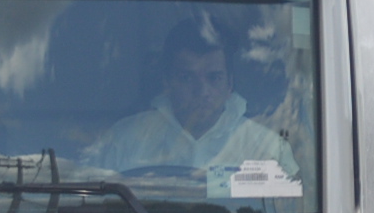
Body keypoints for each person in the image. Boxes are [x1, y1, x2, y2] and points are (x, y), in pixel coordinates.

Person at [94, 21, 301, 195]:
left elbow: (291, 211)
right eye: (187, 77)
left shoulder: (268, 148)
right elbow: (95, 198)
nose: (202, 91)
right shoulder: (123, 140)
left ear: (230, 84)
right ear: (167, 82)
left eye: (214, 78)